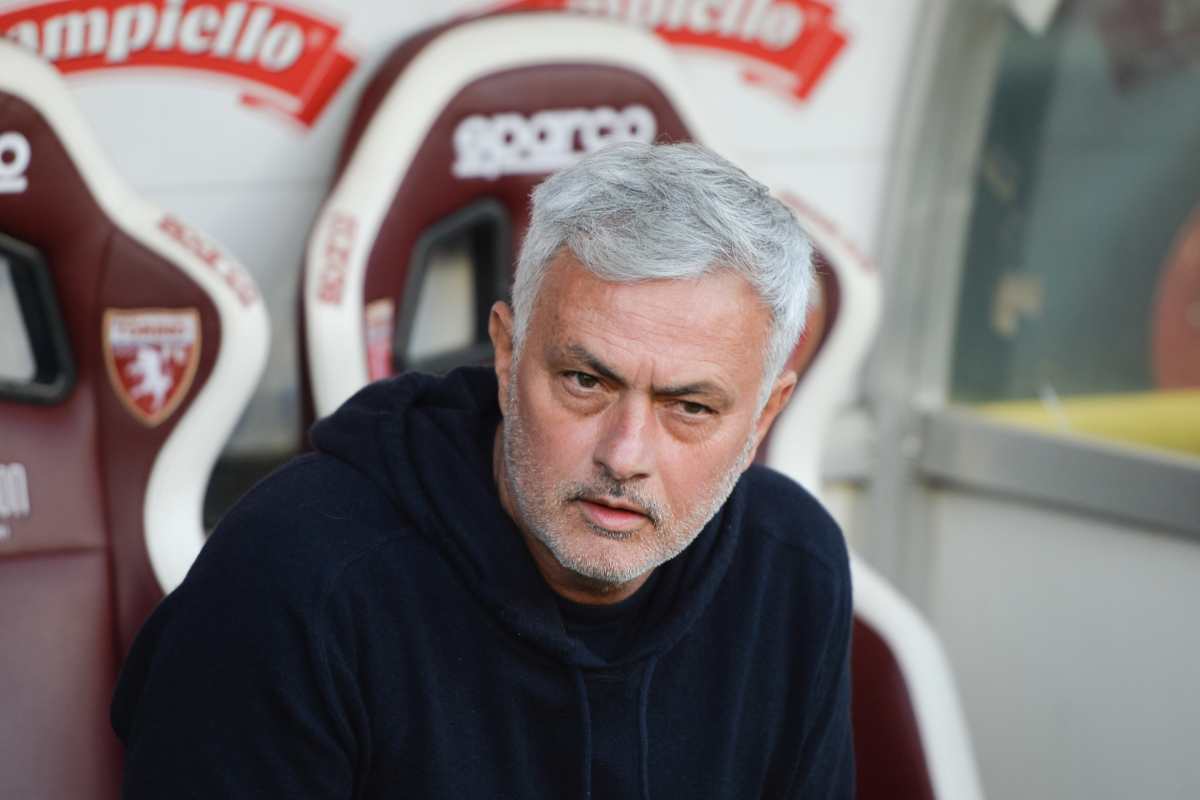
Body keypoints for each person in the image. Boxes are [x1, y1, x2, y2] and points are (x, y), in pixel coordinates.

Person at [112, 142, 854, 798]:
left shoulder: (792, 568)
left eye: (689, 407)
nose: (625, 455)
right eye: (585, 382)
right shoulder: (294, 581)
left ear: (763, 416)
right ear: (506, 354)